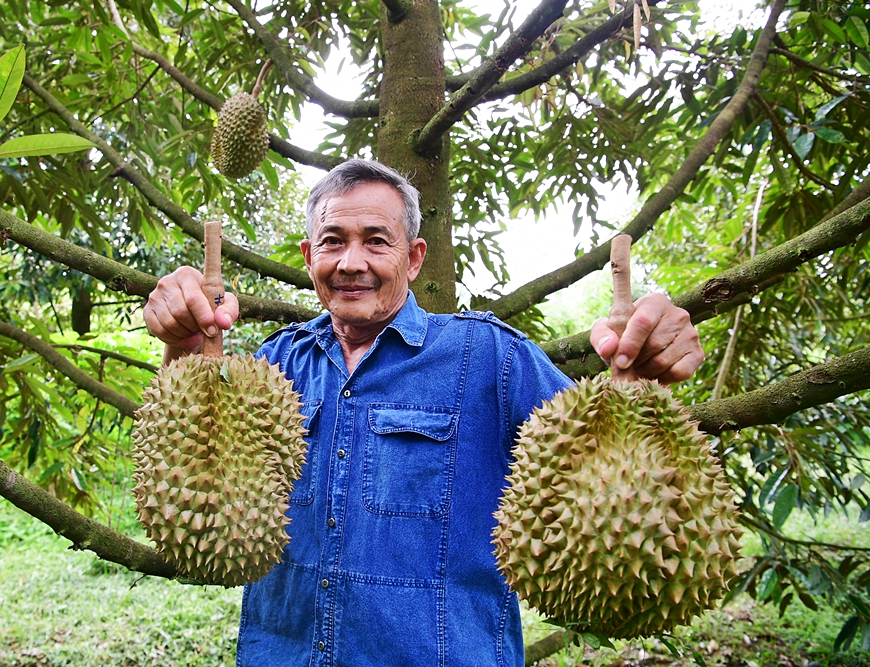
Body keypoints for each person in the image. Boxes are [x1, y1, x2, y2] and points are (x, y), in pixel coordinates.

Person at [143, 159, 703, 667]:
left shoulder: (490, 359)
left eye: (376, 241)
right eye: (333, 241)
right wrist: (185, 349)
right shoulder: (276, 363)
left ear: (413, 259)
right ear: (310, 258)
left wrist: (643, 367)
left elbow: (606, 460)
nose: (351, 262)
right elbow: (198, 463)